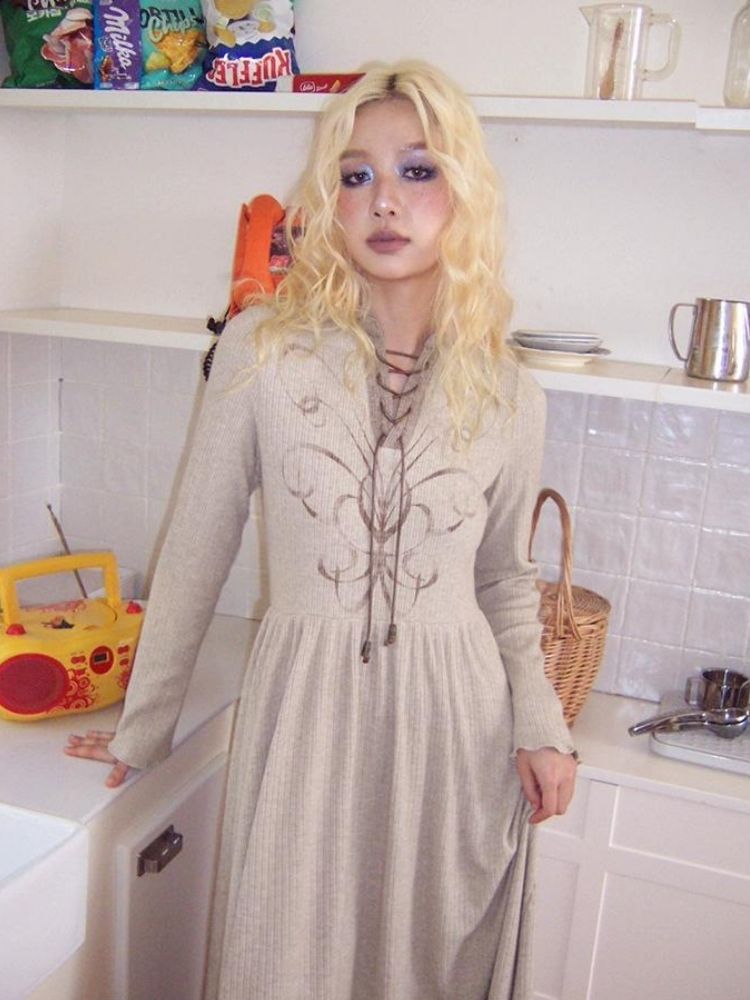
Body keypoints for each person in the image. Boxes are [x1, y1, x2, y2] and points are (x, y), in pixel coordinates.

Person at [65, 59, 577, 1000]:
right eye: (355, 175)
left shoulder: (509, 390)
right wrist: (143, 728)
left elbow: (504, 579)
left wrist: (541, 724)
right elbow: (197, 547)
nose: (384, 200)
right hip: (305, 711)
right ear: (330, 202)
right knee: (285, 957)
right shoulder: (263, 351)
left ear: (463, 193)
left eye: (417, 170)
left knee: (422, 971)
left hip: (454, 730)